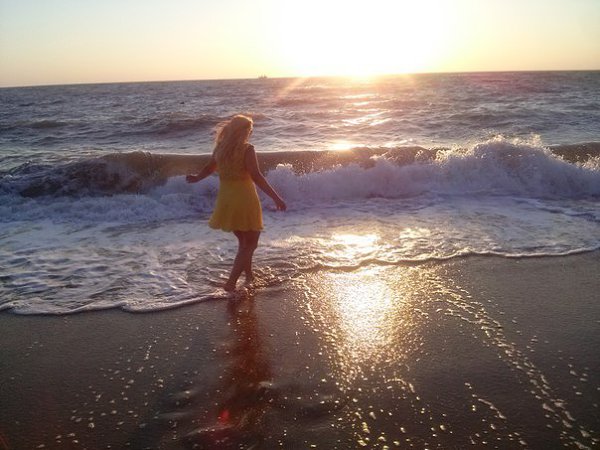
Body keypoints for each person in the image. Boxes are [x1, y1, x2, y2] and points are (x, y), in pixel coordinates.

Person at [186, 115, 286, 291]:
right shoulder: (247, 149)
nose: (250, 133)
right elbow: (256, 176)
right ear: (244, 131)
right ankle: (231, 283)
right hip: (244, 199)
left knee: (243, 242)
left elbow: (209, 167)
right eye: (249, 130)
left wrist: (196, 178)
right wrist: (276, 197)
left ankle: (249, 276)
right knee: (251, 243)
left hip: (226, 200)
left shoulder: (221, 148)